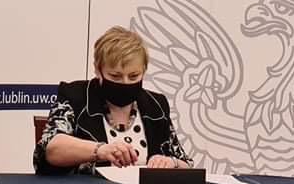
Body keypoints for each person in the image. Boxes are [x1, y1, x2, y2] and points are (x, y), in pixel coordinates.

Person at [34, 26, 192, 174]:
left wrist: (171, 163)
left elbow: (187, 165)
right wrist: (99, 150)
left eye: (134, 76)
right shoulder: (75, 96)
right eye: (115, 76)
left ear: (144, 71)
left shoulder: (156, 105)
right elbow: (50, 149)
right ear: (98, 70)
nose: (125, 83)